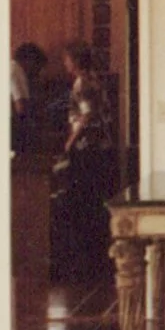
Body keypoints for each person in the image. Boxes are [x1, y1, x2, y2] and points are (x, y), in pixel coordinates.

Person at [55, 43, 116, 278]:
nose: (65, 64)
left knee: (82, 202)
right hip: (101, 149)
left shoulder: (83, 82)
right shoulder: (95, 79)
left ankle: (85, 264)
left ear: (75, 60)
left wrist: (70, 141)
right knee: (94, 203)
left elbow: (87, 114)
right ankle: (96, 259)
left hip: (87, 149)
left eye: (67, 59)